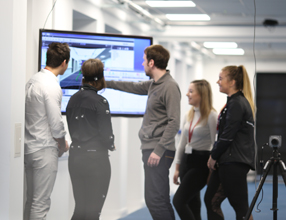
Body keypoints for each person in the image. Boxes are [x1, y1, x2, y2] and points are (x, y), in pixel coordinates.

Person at [106, 44, 181, 220]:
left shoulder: (169, 86)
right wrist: (105, 83)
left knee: (155, 200)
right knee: (159, 199)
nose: (142, 64)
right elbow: (131, 86)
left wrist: (158, 150)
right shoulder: (155, 84)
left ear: (152, 62)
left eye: (144, 60)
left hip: (158, 151)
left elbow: (174, 122)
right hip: (153, 149)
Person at [24, 42, 70, 220]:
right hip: (44, 150)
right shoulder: (51, 85)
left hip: (29, 148)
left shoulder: (32, 81)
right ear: (64, 62)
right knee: (41, 203)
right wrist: (62, 143)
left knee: (31, 201)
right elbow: (55, 123)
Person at [66, 58, 115, 220]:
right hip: (95, 161)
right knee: (93, 212)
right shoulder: (100, 102)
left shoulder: (72, 99)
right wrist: (111, 144)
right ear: (101, 77)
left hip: (75, 158)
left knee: (80, 209)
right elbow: (106, 135)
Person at [205, 65, 256, 220]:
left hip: (234, 162)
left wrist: (213, 156)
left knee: (240, 208)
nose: (217, 81)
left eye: (221, 78)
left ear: (232, 82)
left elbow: (227, 135)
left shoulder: (237, 103)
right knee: (211, 200)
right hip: (227, 160)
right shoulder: (233, 103)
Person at [172, 80, 217, 220]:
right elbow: (182, 143)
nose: (187, 94)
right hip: (187, 161)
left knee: (178, 201)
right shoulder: (189, 114)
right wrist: (177, 168)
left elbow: (215, 144)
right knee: (193, 204)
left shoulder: (212, 115)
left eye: (191, 91)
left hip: (201, 163)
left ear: (202, 94)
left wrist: (211, 172)